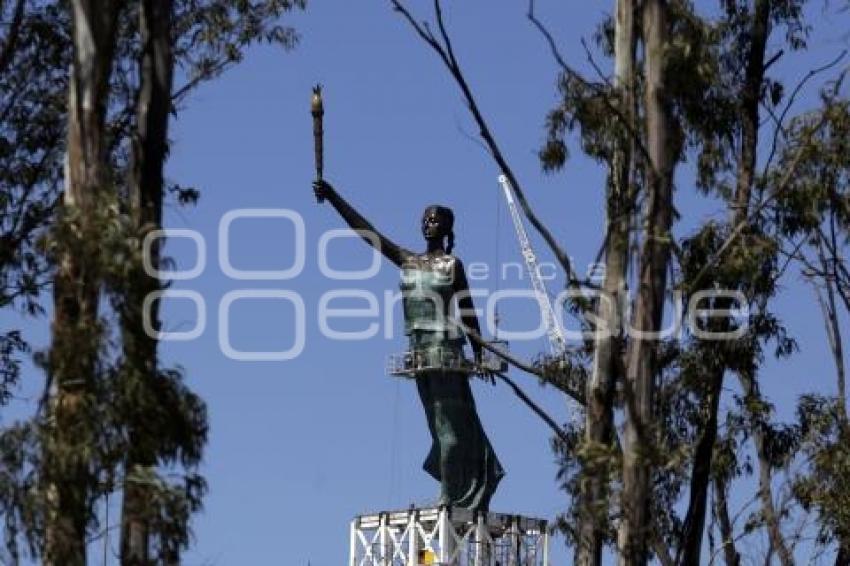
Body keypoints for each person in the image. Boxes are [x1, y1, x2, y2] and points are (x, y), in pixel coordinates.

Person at [313, 179, 504, 511]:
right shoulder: (408, 260)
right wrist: (332, 197)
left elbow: (468, 311)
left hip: (444, 351)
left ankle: (450, 496)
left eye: (434, 219)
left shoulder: (452, 266)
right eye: (424, 218)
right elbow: (367, 233)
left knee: (449, 428)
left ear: (446, 227)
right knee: (437, 426)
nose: (426, 223)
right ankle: (455, 486)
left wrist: (481, 355)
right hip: (418, 352)